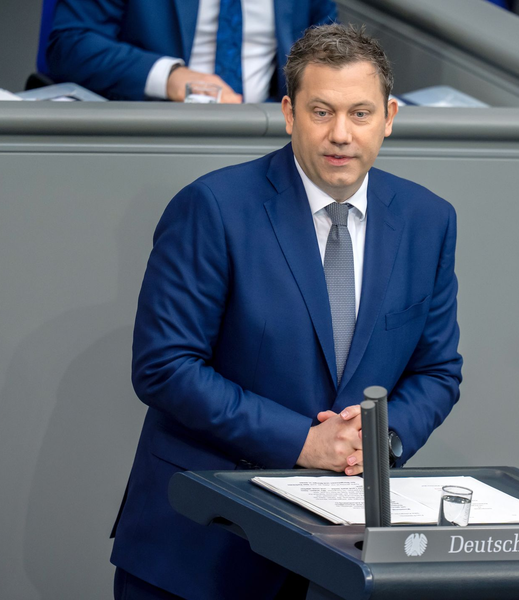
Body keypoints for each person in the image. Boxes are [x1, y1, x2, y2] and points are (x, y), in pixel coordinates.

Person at [110, 23, 463, 600]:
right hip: (200, 550)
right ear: (289, 112)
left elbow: (438, 370)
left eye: (360, 113)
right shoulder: (214, 207)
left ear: (389, 117)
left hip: (337, 559)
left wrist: (380, 440)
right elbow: (165, 367)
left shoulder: (429, 219)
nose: (341, 134)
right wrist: (303, 441)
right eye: (321, 111)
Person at [46, 0, 337, 102]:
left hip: (271, 138)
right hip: (155, 134)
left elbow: (325, 50)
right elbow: (70, 44)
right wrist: (169, 77)